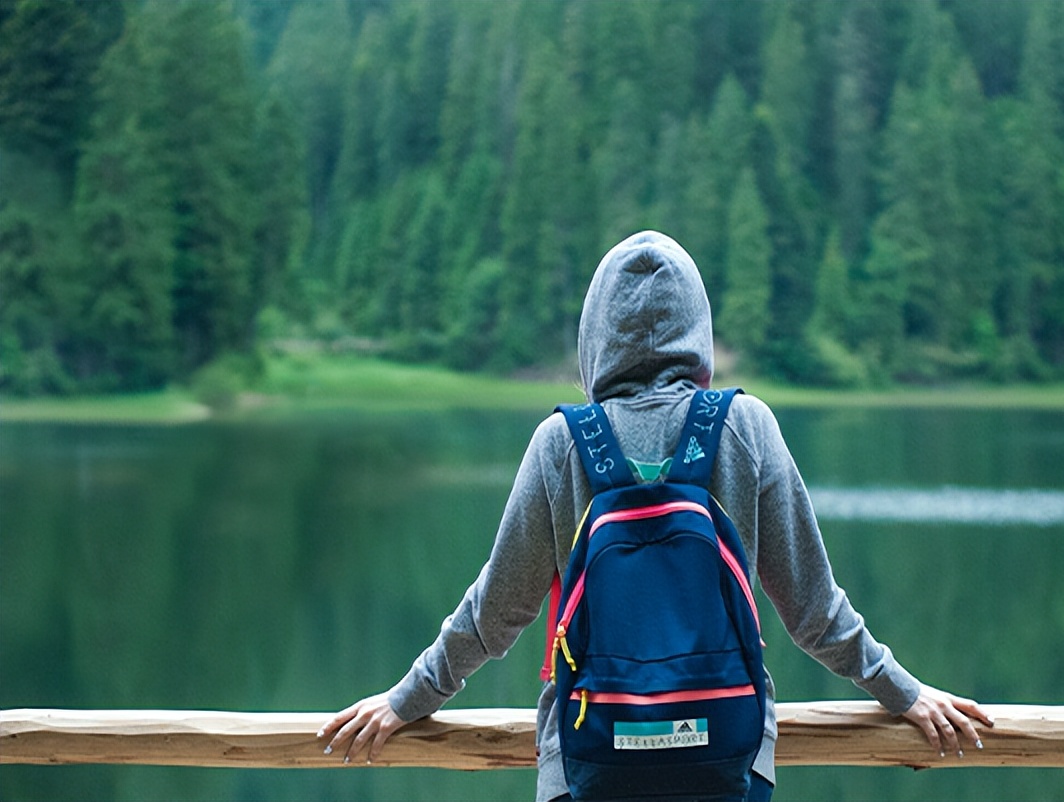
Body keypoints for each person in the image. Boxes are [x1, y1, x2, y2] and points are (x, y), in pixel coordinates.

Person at [318, 231, 993, 800]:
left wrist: (405, 701)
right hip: (724, 757)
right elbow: (814, 611)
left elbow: (495, 614)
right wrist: (902, 692)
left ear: (593, 337)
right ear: (698, 330)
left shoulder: (562, 443)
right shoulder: (745, 427)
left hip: (589, 762)